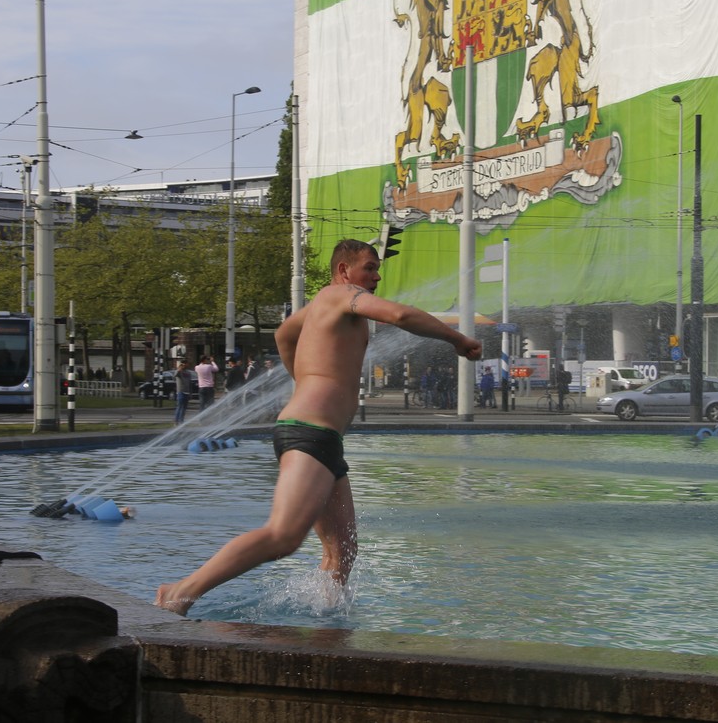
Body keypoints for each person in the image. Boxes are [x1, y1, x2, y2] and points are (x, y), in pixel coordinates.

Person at [155, 239, 481, 616]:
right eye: (369, 268)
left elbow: (283, 334)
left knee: (343, 549)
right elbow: (400, 315)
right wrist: (457, 339)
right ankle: (180, 592)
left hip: (325, 439)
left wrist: (305, 378)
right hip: (308, 432)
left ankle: (327, 620)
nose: (376, 277)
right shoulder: (343, 295)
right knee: (283, 536)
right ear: (344, 270)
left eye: (377, 270)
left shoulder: (321, 305)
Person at [173, 360, 197, 425]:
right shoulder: (179, 371)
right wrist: (179, 369)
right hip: (181, 392)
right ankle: (176, 421)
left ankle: (181, 421)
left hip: (187, 392)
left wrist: (190, 393)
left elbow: (189, 383)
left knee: (184, 408)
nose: (187, 365)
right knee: (179, 406)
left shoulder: (188, 373)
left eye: (187, 364)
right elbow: (174, 376)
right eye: (185, 364)